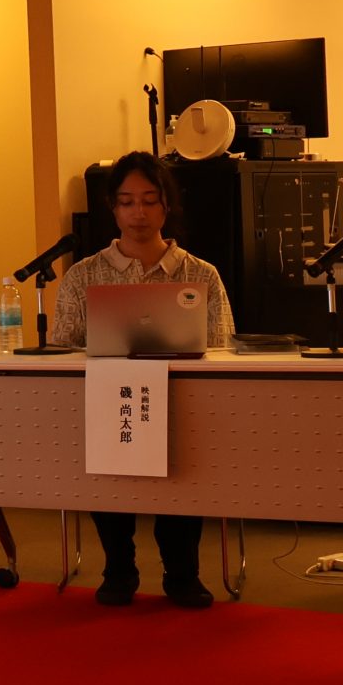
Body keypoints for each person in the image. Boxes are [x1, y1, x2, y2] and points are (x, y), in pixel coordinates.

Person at [49, 151, 234, 608]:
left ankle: (183, 573)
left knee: (184, 470)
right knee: (108, 467)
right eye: (128, 202)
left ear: (166, 206)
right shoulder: (84, 275)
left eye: (150, 201)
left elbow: (221, 348)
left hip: (183, 406)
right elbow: (62, 347)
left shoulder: (200, 273)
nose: (139, 213)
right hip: (109, 407)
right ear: (113, 209)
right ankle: (118, 568)